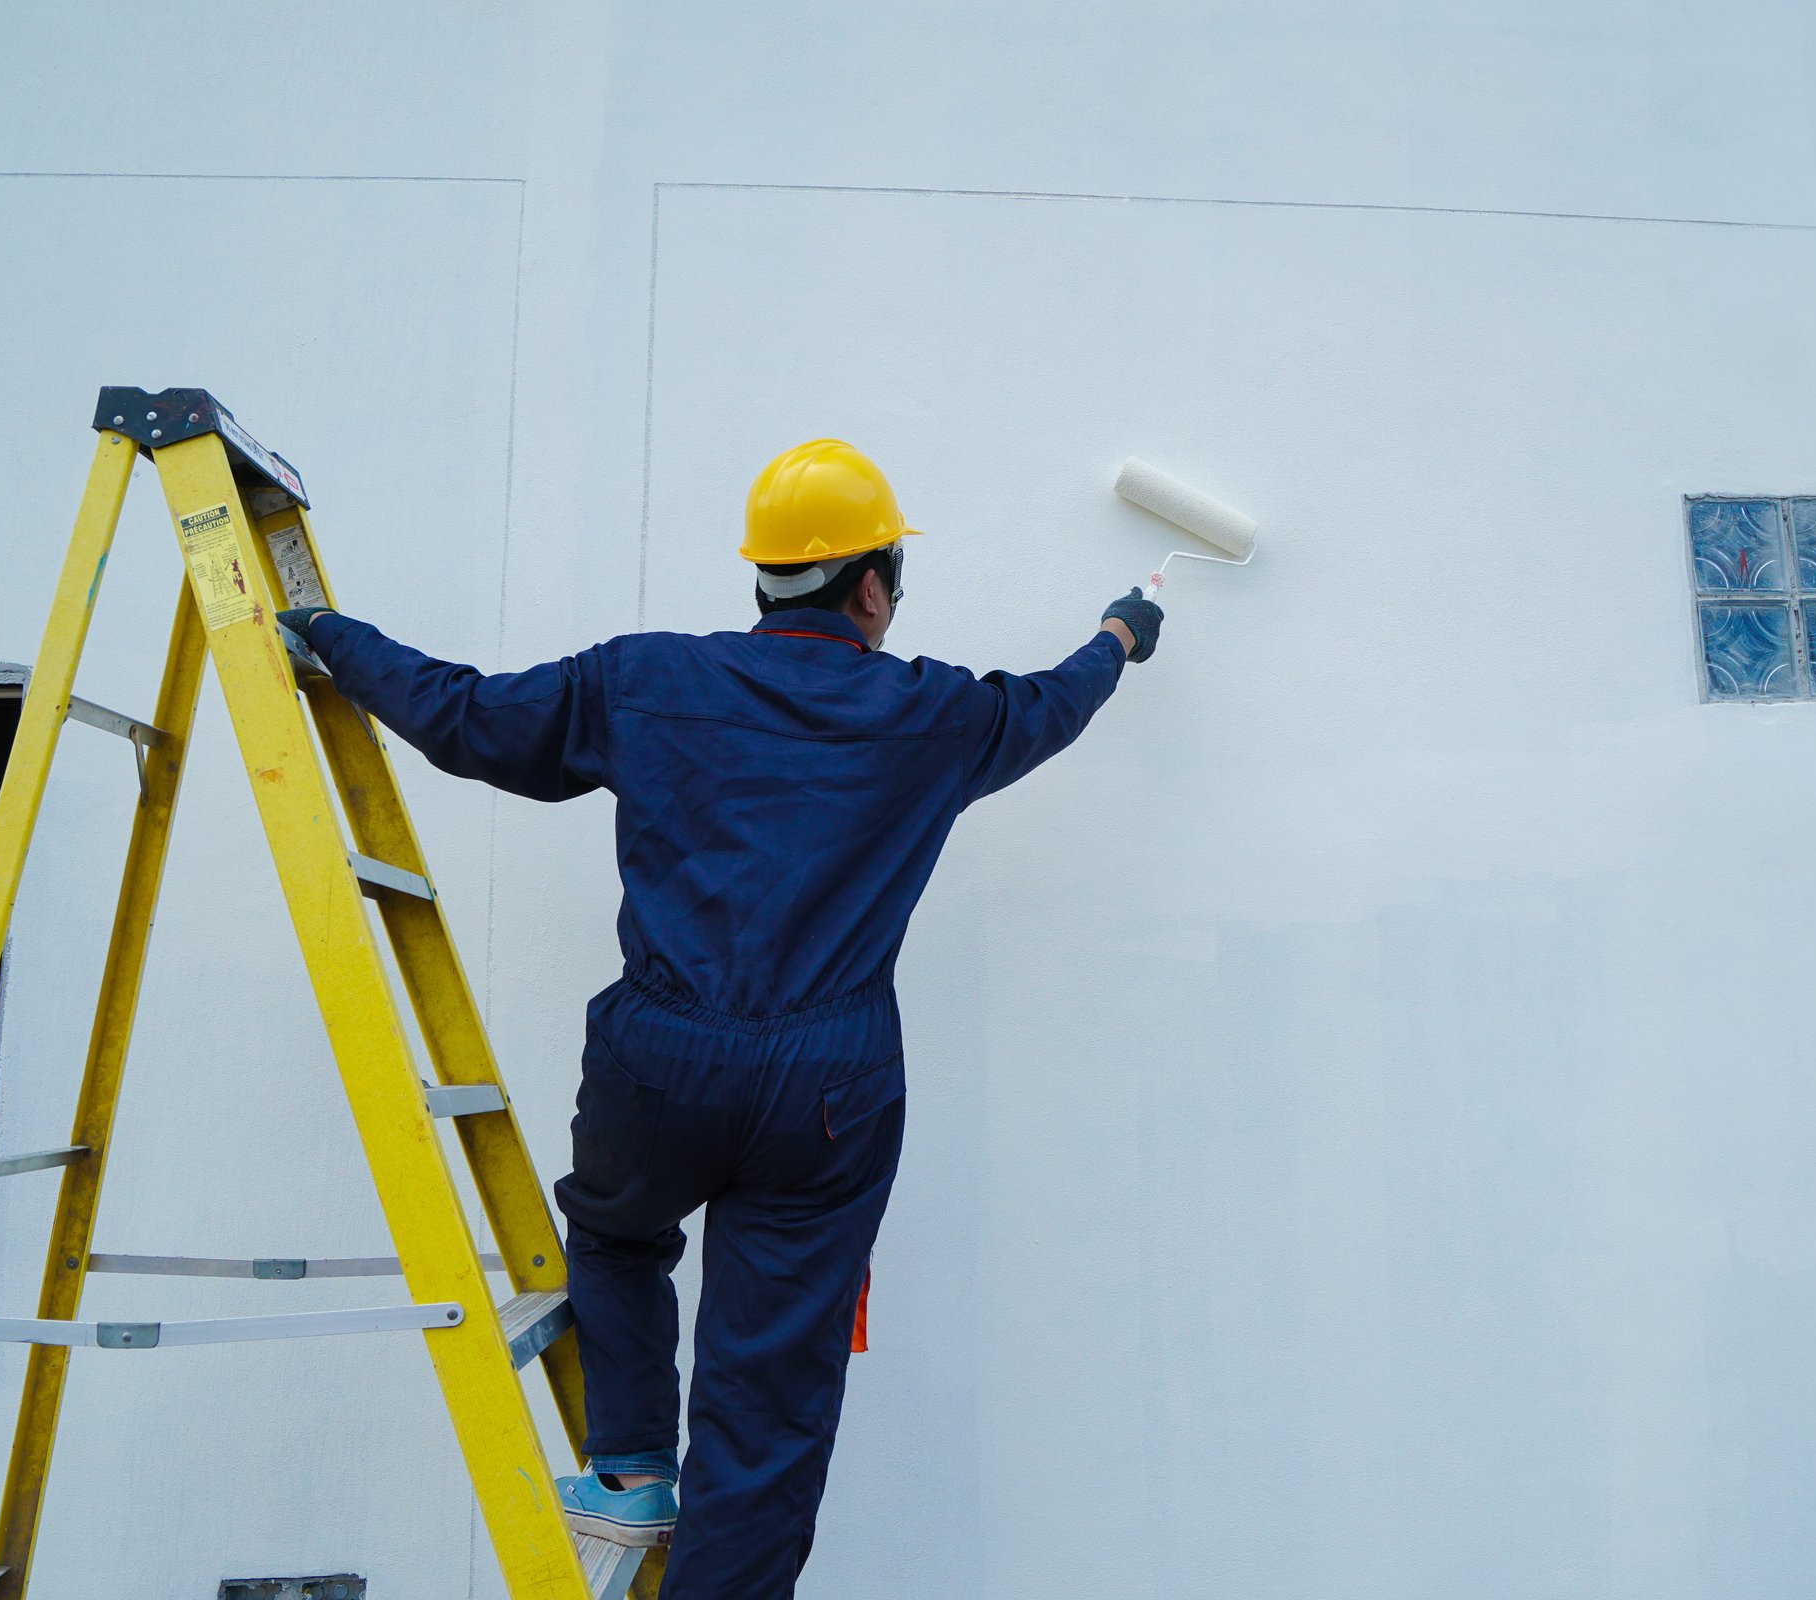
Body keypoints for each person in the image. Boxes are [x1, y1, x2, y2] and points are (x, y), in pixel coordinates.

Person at [277, 439, 1160, 1597]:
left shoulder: (641, 680)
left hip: (659, 1066)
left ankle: (634, 1465)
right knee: (770, 1399)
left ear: (764, 577)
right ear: (874, 586)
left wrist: (329, 635)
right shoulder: (933, 712)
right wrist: (1120, 638)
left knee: (615, 1229)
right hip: (829, 1096)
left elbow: (467, 717)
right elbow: (1052, 704)